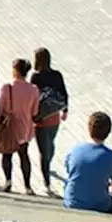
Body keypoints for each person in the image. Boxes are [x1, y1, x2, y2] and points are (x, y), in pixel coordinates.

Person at [63, 111, 112, 216]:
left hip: (72, 201)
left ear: (89, 129)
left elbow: (72, 172)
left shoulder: (76, 150)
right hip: (99, 205)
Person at [0, 59, 40, 194]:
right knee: (24, 155)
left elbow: (0, 107)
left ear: (15, 70)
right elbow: (34, 111)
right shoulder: (33, 89)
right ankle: (27, 186)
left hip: (9, 127)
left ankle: (8, 181)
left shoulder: (7, 87)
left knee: (7, 155)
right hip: (25, 128)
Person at [30, 48, 68, 195]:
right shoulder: (57, 75)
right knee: (50, 143)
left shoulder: (35, 77)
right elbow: (64, 93)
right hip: (54, 118)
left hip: (40, 120)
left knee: (42, 151)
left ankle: (46, 180)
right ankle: (48, 166)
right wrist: (65, 111)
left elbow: (33, 97)